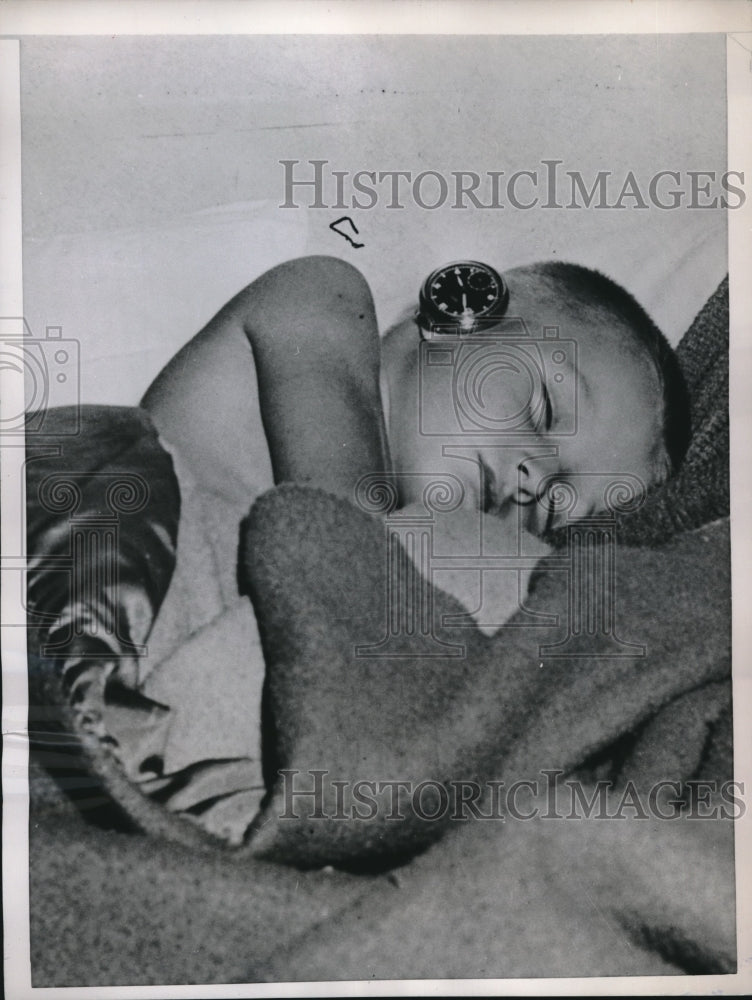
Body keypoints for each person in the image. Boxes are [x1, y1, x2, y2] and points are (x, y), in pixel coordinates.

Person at [30, 255, 691, 844]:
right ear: (461, 306)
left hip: (184, 739)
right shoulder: (324, 297)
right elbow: (346, 527)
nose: (536, 477)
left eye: (558, 505)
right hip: (99, 546)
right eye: (545, 409)